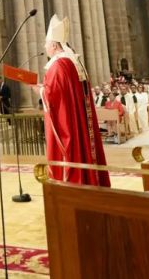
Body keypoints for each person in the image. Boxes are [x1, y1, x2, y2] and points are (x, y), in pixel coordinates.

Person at [41, 15, 109, 187]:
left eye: (46, 44)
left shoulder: (57, 66)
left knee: (70, 150)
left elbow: (54, 96)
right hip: (79, 121)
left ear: (54, 45)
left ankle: (71, 182)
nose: (45, 47)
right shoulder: (72, 61)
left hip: (69, 124)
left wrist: (40, 90)